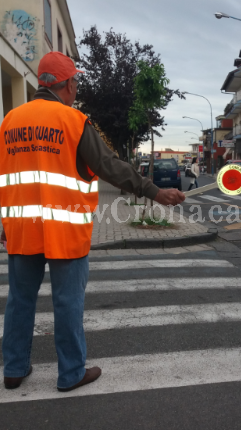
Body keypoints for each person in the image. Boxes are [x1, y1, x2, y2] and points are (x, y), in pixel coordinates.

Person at [0, 52, 185, 392]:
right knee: (67, 302)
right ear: (67, 84)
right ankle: (70, 373)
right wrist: (154, 192)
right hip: (64, 230)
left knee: (20, 299)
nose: (76, 88)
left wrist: (3, 225)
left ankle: (13, 369)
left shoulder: (10, 121)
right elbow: (109, 166)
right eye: (75, 83)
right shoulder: (72, 120)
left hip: (22, 229)